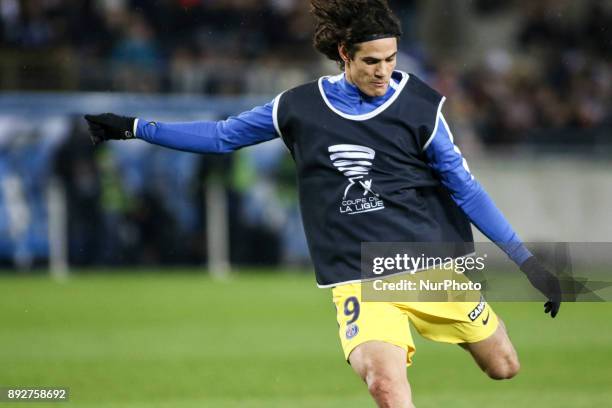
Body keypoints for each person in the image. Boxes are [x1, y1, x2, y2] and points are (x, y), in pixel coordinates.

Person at [85, 1, 562, 406]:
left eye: (391, 59)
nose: (383, 71)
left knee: (504, 367)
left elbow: (466, 188)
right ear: (343, 55)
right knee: (386, 386)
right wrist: (134, 126)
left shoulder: (421, 107)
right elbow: (222, 136)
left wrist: (526, 261)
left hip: (428, 263)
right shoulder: (298, 107)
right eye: (371, 61)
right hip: (356, 273)